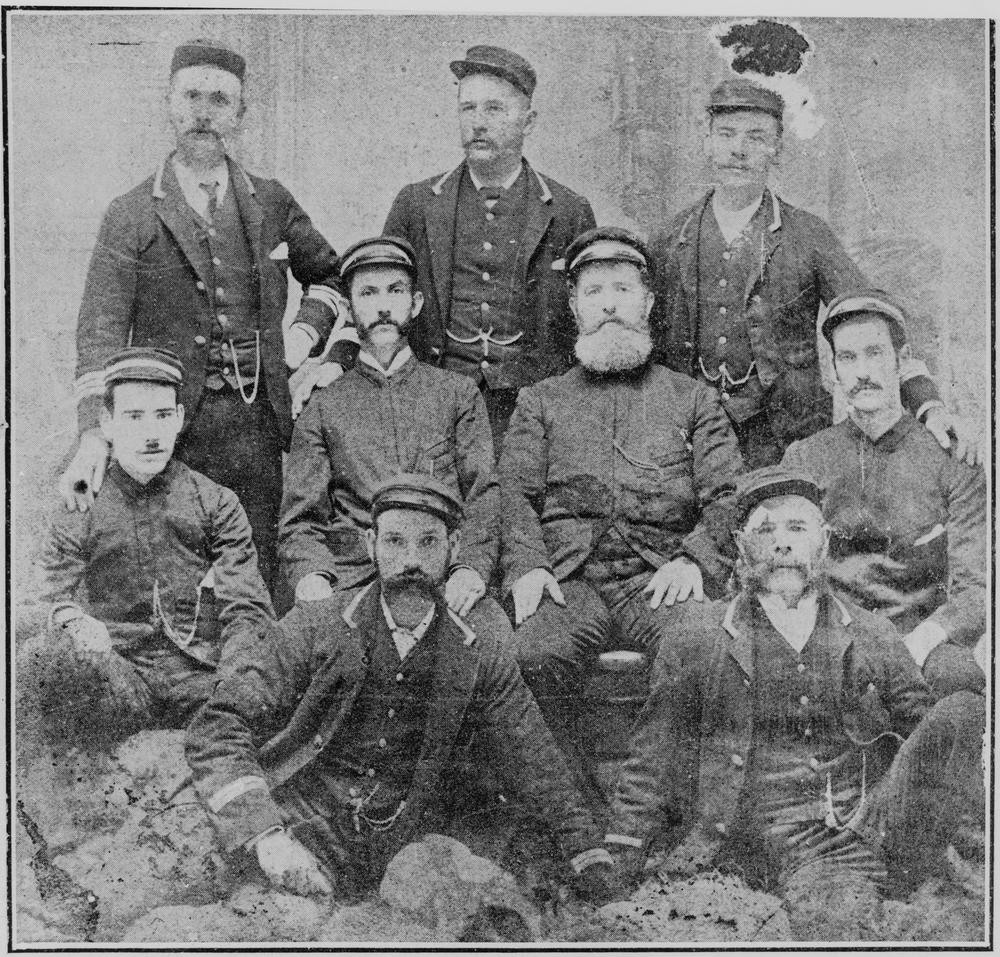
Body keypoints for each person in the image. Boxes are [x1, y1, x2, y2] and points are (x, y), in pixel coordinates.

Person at [186, 474, 616, 903]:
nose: (411, 561)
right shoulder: (318, 625)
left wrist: (588, 855)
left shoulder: (478, 650)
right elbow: (221, 723)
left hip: (405, 846)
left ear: (454, 547)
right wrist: (265, 835)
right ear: (370, 543)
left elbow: (535, 757)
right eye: (395, 542)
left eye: (428, 543)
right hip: (301, 825)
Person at [604, 467, 984, 938]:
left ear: (823, 544)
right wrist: (620, 850)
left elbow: (924, 740)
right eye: (765, 530)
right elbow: (652, 756)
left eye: (797, 528)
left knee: (959, 709)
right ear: (742, 547)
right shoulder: (696, 636)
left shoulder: (870, 632)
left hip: (836, 841)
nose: (781, 543)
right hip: (741, 835)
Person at [61, 39, 353, 604]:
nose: (203, 112)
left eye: (219, 100)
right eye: (191, 96)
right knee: (173, 577)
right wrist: (93, 433)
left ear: (240, 116)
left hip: (255, 427)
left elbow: (331, 278)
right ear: (168, 106)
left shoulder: (269, 201)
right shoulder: (131, 212)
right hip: (168, 428)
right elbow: (99, 327)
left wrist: (302, 339)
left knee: (254, 573)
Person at [499, 226, 742, 803]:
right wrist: (529, 567)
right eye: (593, 291)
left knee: (703, 648)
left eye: (623, 289)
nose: (609, 303)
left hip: (657, 578)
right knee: (531, 653)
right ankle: (569, 809)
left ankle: (654, 805)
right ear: (574, 307)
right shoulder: (542, 400)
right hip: (568, 580)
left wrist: (695, 559)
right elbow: (510, 493)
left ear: (649, 303)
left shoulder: (692, 399)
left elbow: (730, 493)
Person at [649, 77, 977, 469]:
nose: (737, 150)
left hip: (786, 440)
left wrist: (929, 406)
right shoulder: (671, 238)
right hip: (690, 440)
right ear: (707, 143)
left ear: (777, 150)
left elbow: (875, 317)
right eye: (726, 135)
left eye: (756, 137)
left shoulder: (808, 234)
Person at [20, 347, 274, 747]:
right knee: (42, 668)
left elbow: (247, 610)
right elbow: (32, 606)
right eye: (134, 417)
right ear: (107, 422)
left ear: (179, 419)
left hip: (201, 680)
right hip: (117, 677)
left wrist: (232, 684)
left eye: (161, 415)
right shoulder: (83, 504)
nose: (151, 435)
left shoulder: (216, 502)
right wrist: (69, 618)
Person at [382, 45, 596, 438]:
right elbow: (379, 297)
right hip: (431, 406)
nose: (478, 123)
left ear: (528, 121)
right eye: (468, 109)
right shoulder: (416, 203)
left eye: (494, 109)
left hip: (533, 414)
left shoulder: (568, 210)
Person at [782, 291, 987, 698]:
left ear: (901, 359)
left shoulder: (952, 459)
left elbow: (977, 589)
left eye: (875, 353)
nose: (862, 372)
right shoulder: (805, 458)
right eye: (848, 358)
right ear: (834, 370)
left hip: (919, 638)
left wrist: (922, 641)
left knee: (962, 684)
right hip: (831, 641)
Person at [279, 237, 498, 615]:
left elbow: (483, 496)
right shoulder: (324, 404)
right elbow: (301, 521)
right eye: (368, 293)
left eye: (395, 291)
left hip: (441, 582)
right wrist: (312, 574)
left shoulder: (457, 394)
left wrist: (470, 569)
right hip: (350, 583)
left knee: (492, 645)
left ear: (415, 304)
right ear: (348, 309)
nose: (382, 307)